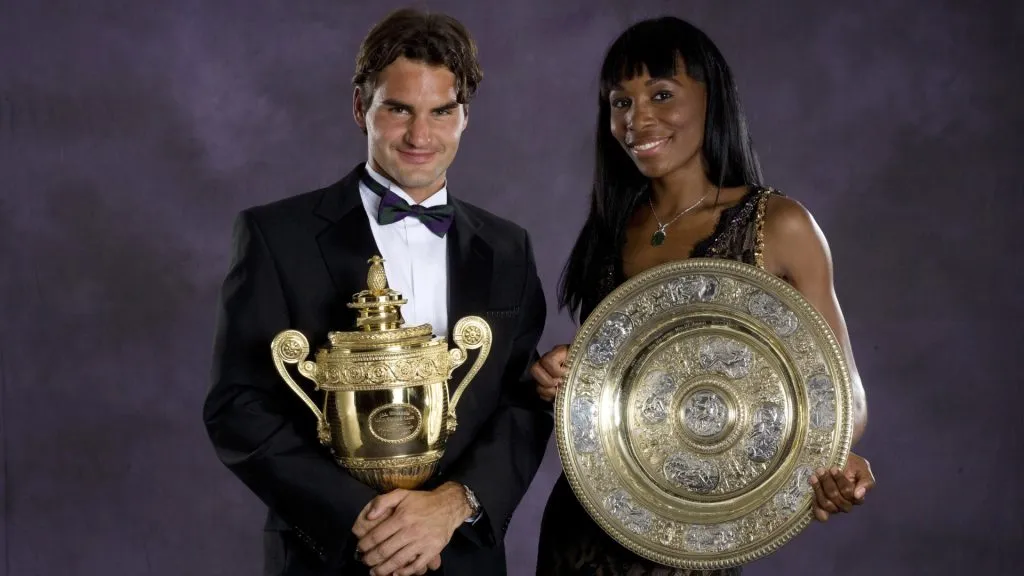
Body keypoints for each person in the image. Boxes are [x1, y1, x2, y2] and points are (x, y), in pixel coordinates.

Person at [203, 8, 552, 576]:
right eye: (398, 109)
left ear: (465, 116)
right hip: (332, 554)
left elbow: (519, 400)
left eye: (442, 112)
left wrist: (452, 505)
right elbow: (237, 407)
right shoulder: (276, 236)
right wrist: (367, 519)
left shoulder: (509, 246)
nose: (420, 135)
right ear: (360, 106)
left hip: (462, 554)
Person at [530, 16, 876, 576]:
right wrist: (554, 374)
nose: (637, 119)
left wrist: (830, 453)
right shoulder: (612, 226)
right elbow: (611, 374)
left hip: (696, 537)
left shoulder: (778, 224)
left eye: (661, 94)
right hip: (586, 524)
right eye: (620, 102)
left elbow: (844, 394)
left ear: (712, 101)